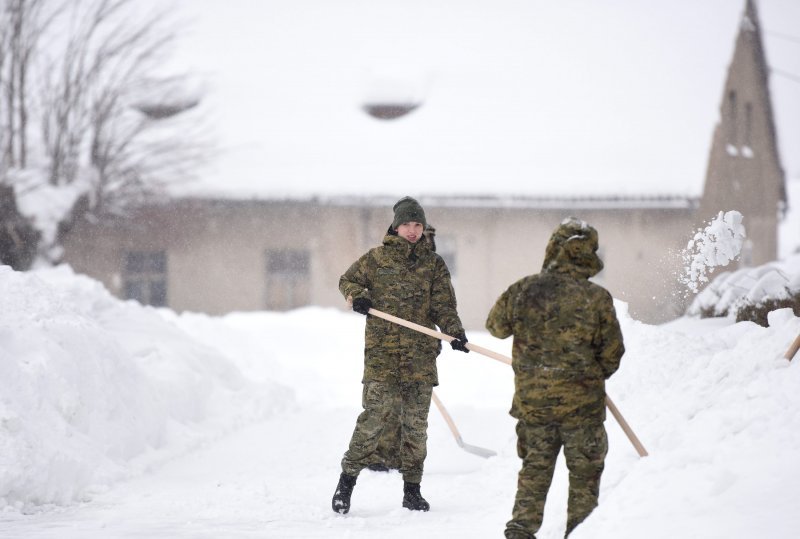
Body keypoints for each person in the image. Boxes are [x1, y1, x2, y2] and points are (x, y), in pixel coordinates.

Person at [485, 217, 625, 538]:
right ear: (589, 253)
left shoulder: (523, 289)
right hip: (583, 408)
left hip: (534, 406)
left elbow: (495, 326)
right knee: (585, 478)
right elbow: (612, 352)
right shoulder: (597, 298)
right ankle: (580, 531)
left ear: (553, 249)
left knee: (534, 471)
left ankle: (521, 529)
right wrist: (589, 377)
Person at [332, 198, 469, 514]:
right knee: (373, 420)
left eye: (418, 225)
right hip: (383, 356)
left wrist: (455, 332)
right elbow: (347, 281)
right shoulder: (377, 259)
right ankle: (346, 483)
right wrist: (360, 298)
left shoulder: (433, 265)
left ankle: (412, 491)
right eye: (407, 224)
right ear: (396, 226)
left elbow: (444, 307)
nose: (412, 230)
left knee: (416, 428)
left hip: (420, 358)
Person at [367, 224, 440, 473]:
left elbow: (435, 302)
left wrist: (436, 339)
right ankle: (380, 454)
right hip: (389, 340)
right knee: (387, 400)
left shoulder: (431, 262)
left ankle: (401, 457)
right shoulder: (386, 259)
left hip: (421, 342)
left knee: (411, 405)